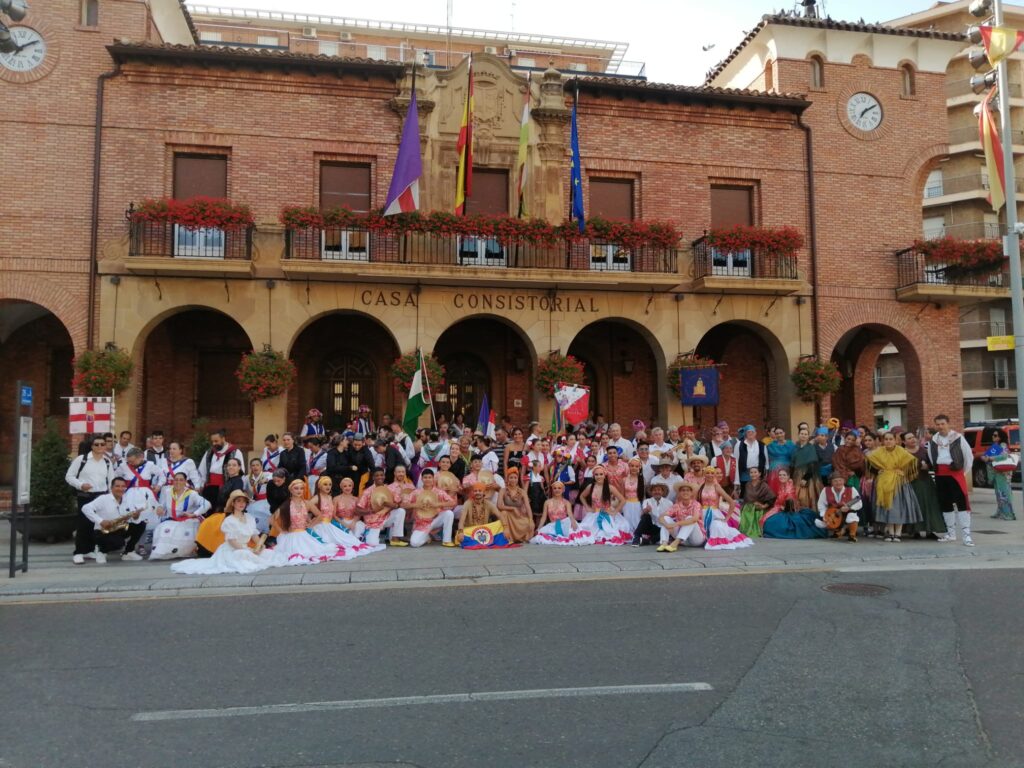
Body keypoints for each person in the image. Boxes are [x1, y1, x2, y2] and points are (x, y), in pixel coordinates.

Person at [172, 490, 280, 575]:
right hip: (232, 550)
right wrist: (248, 550)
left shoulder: (249, 518)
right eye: (238, 501)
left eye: (244, 501)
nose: (242, 504)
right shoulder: (229, 521)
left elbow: (254, 535)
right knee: (244, 556)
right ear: (233, 503)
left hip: (245, 548)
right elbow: (232, 541)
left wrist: (260, 545)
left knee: (267, 553)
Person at [66, 435, 115, 564]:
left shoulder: (107, 462)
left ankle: (90, 549)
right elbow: (69, 476)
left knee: (97, 525)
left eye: (102, 444)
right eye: (96, 444)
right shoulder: (81, 460)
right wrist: (81, 485)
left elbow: (111, 480)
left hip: (101, 496)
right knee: (84, 524)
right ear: (91, 446)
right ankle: (79, 552)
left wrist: (112, 497)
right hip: (86, 496)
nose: (100, 447)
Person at [867, 432, 923, 543]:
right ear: (883, 441)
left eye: (891, 439)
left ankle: (898, 532)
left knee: (899, 507)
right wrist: (878, 471)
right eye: (886, 439)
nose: (888, 441)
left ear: (895, 440)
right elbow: (869, 463)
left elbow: (914, 463)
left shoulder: (901, 451)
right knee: (887, 507)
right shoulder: (879, 452)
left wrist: (904, 472)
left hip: (899, 482)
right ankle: (890, 532)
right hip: (884, 482)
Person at [928, 415, 974, 546]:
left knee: (962, 504)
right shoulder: (934, 440)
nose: (940, 426)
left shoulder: (958, 438)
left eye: (942, 424)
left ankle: (966, 535)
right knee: (945, 504)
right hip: (940, 474)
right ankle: (951, 533)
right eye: (938, 424)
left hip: (955, 474)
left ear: (948, 424)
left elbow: (968, 456)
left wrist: (962, 472)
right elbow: (931, 457)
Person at [78, 477, 147, 564]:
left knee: (141, 524)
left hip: (118, 528)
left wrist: (136, 517)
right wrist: (101, 521)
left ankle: (128, 552)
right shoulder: (103, 499)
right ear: (111, 488)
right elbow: (85, 508)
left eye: (123, 486)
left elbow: (132, 518)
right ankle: (101, 551)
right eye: (117, 486)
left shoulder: (127, 500)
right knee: (119, 543)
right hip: (102, 531)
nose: (120, 489)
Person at [271, 478, 341, 564]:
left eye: (301, 488)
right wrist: (281, 531)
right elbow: (272, 519)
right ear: (291, 490)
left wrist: (311, 524)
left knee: (315, 551)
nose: (299, 491)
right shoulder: (286, 505)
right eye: (296, 488)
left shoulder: (307, 503)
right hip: (292, 536)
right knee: (293, 555)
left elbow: (320, 515)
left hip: (304, 534)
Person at [309, 475, 381, 558]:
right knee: (333, 542)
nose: (347, 488)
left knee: (354, 536)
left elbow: (358, 513)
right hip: (328, 524)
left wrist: (354, 522)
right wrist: (310, 520)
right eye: (345, 486)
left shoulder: (331, 497)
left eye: (349, 486)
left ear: (352, 487)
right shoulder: (332, 498)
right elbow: (309, 507)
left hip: (339, 523)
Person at [152, 471, 211, 560]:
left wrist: (194, 514)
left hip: (188, 521)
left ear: (185, 481)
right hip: (172, 520)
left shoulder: (192, 493)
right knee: (162, 528)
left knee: (180, 532)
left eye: (181, 480)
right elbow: (161, 505)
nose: (178, 482)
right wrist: (159, 508)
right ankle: (164, 552)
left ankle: (179, 551)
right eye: (176, 480)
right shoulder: (167, 492)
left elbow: (207, 504)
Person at [902, 432, 948, 538]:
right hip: (910, 483)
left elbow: (932, 463)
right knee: (914, 506)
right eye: (909, 438)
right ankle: (915, 530)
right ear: (904, 442)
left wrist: (927, 466)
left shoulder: (923, 450)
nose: (912, 439)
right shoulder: (902, 452)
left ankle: (930, 530)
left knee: (930, 506)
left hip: (925, 481)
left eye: (913, 437)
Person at [761, 468, 826, 540]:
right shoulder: (782, 485)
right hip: (780, 508)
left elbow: (790, 503)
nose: (781, 476)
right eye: (780, 475)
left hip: (788, 511)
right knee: (769, 520)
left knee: (772, 522)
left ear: (788, 476)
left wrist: (782, 507)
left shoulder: (789, 488)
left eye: (784, 475)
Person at [700, 467, 752, 551]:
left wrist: (726, 518)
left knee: (717, 527)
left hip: (714, 513)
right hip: (702, 513)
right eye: (708, 473)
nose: (710, 475)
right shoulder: (700, 487)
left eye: (712, 473)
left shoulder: (717, 487)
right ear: (704, 474)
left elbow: (732, 502)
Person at [579, 465, 631, 545]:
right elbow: (582, 496)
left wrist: (615, 512)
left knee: (609, 532)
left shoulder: (610, 487)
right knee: (587, 531)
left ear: (604, 475)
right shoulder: (590, 487)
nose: (599, 476)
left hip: (607, 513)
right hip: (594, 513)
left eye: (601, 474)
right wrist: (587, 506)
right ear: (593, 476)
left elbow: (623, 500)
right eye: (596, 474)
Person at [358, 468, 409, 547]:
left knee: (401, 511)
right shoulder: (368, 491)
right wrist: (372, 511)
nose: (380, 477)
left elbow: (398, 503)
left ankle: (395, 539)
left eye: (381, 475)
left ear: (384, 476)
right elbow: (357, 510)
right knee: (372, 544)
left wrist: (391, 504)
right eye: (377, 475)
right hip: (373, 522)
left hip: (386, 518)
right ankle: (369, 534)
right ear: (373, 477)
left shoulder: (389, 489)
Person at [532, 481, 592, 545]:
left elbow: (570, 514)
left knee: (573, 535)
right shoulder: (547, 502)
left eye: (559, 488)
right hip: (552, 525)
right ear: (552, 490)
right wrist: (539, 528)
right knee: (540, 535)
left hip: (564, 524)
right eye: (555, 488)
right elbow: (544, 517)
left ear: (563, 490)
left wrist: (573, 523)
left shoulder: (566, 502)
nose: (557, 490)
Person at [407, 469, 457, 547]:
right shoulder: (416, 492)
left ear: (433, 479)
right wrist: (416, 505)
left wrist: (438, 504)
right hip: (421, 523)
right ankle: (427, 537)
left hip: (435, 520)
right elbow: (403, 505)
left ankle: (446, 540)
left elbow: (453, 503)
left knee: (449, 513)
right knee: (414, 543)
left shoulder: (439, 492)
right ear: (422, 479)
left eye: (429, 477)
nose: (427, 479)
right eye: (425, 477)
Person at [198, 430, 245, 509]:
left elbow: (240, 471)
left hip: (226, 489)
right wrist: (201, 485)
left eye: (216, 441)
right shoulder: (209, 452)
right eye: (212, 441)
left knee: (222, 510)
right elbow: (202, 470)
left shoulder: (235, 452)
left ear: (223, 439)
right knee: (208, 510)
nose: (214, 444)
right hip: (209, 488)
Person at [656, 481, 707, 551]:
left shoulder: (696, 504)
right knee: (666, 518)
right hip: (684, 541)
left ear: (691, 493)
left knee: (690, 518)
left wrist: (675, 524)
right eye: (683, 490)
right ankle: (664, 543)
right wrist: (667, 525)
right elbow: (661, 517)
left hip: (696, 539)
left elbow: (695, 519)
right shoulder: (677, 505)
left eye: (688, 490)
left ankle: (675, 543)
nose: (685, 492)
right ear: (679, 493)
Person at [814, 472, 863, 542]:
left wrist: (849, 508)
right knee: (822, 523)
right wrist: (825, 515)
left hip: (847, 513)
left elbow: (859, 503)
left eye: (840, 480)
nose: (838, 483)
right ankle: (837, 531)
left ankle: (852, 535)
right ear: (831, 482)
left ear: (844, 481)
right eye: (835, 481)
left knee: (852, 516)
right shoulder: (826, 490)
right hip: (834, 514)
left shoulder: (851, 489)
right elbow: (821, 504)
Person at [980, 429, 1016, 521]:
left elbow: (1004, 456)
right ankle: (1000, 511)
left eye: (995, 435)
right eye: (993, 435)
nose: (993, 436)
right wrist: (984, 457)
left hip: (1002, 473)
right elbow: (987, 455)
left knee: (1004, 493)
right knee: (998, 493)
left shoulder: (1003, 445)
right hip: (997, 472)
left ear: (1000, 437)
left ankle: (1009, 514)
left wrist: (990, 458)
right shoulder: (995, 445)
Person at [497, 469, 535, 543]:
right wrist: (513, 508)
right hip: (508, 515)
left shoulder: (522, 492)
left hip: (519, 515)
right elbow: (499, 506)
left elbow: (528, 508)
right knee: (503, 513)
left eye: (515, 478)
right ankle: (509, 538)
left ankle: (522, 538)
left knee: (529, 523)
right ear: (507, 479)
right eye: (511, 477)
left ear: (518, 479)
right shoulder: (503, 490)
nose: (513, 480)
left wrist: (531, 520)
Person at [737, 467, 774, 538]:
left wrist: (764, 506)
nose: (753, 474)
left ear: (759, 474)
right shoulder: (747, 484)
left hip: (758, 509)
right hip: (747, 508)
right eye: (751, 472)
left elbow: (771, 497)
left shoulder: (763, 485)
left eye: (755, 472)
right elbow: (746, 499)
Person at [635, 480, 672, 547]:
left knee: (666, 529)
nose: (657, 492)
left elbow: (672, 517)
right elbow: (642, 515)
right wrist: (646, 510)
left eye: (659, 490)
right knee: (645, 516)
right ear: (651, 492)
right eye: (654, 490)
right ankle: (636, 537)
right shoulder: (647, 501)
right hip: (651, 527)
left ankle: (648, 541)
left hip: (663, 527)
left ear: (662, 492)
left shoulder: (669, 503)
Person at [791, 426, 821, 510]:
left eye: (805, 434)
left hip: (808, 475)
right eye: (802, 434)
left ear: (808, 436)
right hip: (797, 475)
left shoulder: (810, 447)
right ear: (798, 435)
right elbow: (793, 463)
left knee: (807, 496)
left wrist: (805, 478)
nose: (803, 435)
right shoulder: (795, 448)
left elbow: (813, 464)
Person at [243, 458, 273, 534]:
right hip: (254, 501)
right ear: (250, 467)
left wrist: (266, 479)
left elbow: (275, 475)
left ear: (261, 466)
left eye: (257, 465)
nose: (255, 467)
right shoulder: (247, 478)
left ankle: (266, 534)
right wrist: (247, 498)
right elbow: (243, 490)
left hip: (266, 501)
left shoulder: (267, 474)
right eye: (253, 465)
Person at [735, 425, 767, 495]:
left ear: (755, 433)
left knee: (757, 494)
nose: (750, 433)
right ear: (745, 433)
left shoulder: (762, 445)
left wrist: (765, 473)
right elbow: (735, 461)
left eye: (752, 432)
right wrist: (736, 479)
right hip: (744, 473)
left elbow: (766, 461)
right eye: (748, 432)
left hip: (757, 473)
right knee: (745, 493)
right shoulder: (739, 444)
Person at [765, 427, 796, 493]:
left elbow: (794, 457)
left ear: (784, 433)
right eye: (777, 433)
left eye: (781, 433)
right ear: (775, 435)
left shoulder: (791, 444)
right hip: (774, 469)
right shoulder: (771, 446)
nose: (779, 435)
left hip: (788, 467)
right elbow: (766, 457)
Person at [620, 458, 646, 531]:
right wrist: (621, 507)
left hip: (637, 504)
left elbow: (643, 496)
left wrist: (643, 507)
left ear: (639, 467)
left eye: (636, 466)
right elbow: (622, 495)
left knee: (637, 521)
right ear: (629, 466)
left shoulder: (642, 479)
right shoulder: (624, 479)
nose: (634, 468)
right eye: (632, 466)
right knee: (627, 522)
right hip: (626, 504)